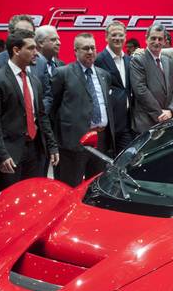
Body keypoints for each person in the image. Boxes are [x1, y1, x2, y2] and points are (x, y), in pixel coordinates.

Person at [0, 29, 58, 192]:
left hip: (36, 150)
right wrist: (1, 154)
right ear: (16, 50)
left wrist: (52, 146)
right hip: (10, 153)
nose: (36, 53)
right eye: (31, 48)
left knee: (33, 198)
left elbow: (42, 116)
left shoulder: (34, 80)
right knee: (9, 200)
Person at [51, 33, 114, 187]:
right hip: (74, 142)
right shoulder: (63, 73)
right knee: (70, 187)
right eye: (86, 48)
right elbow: (53, 109)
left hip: (100, 140)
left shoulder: (104, 75)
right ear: (75, 51)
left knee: (97, 187)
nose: (90, 52)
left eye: (93, 48)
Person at [129, 24, 173, 133]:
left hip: (167, 120)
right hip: (146, 122)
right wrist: (160, 114)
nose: (157, 42)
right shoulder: (138, 60)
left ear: (165, 41)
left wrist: (171, 110)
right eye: (153, 38)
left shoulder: (169, 61)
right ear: (146, 38)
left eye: (160, 39)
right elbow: (140, 90)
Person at [95, 20, 134, 153]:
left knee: (126, 159)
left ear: (125, 37)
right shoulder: (98, 59)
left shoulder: (129, 60)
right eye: (113, 35)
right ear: (106, 37)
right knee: (105, 161)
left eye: (120, 35)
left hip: (127, 122)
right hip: (107, 125)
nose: (117, 38)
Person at [34, 25, 64, 114]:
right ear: (40, 43)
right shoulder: (31, 66)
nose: (59, 43)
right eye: (53, 40)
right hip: (40, 116)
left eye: (58, 39)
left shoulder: (62, 65)